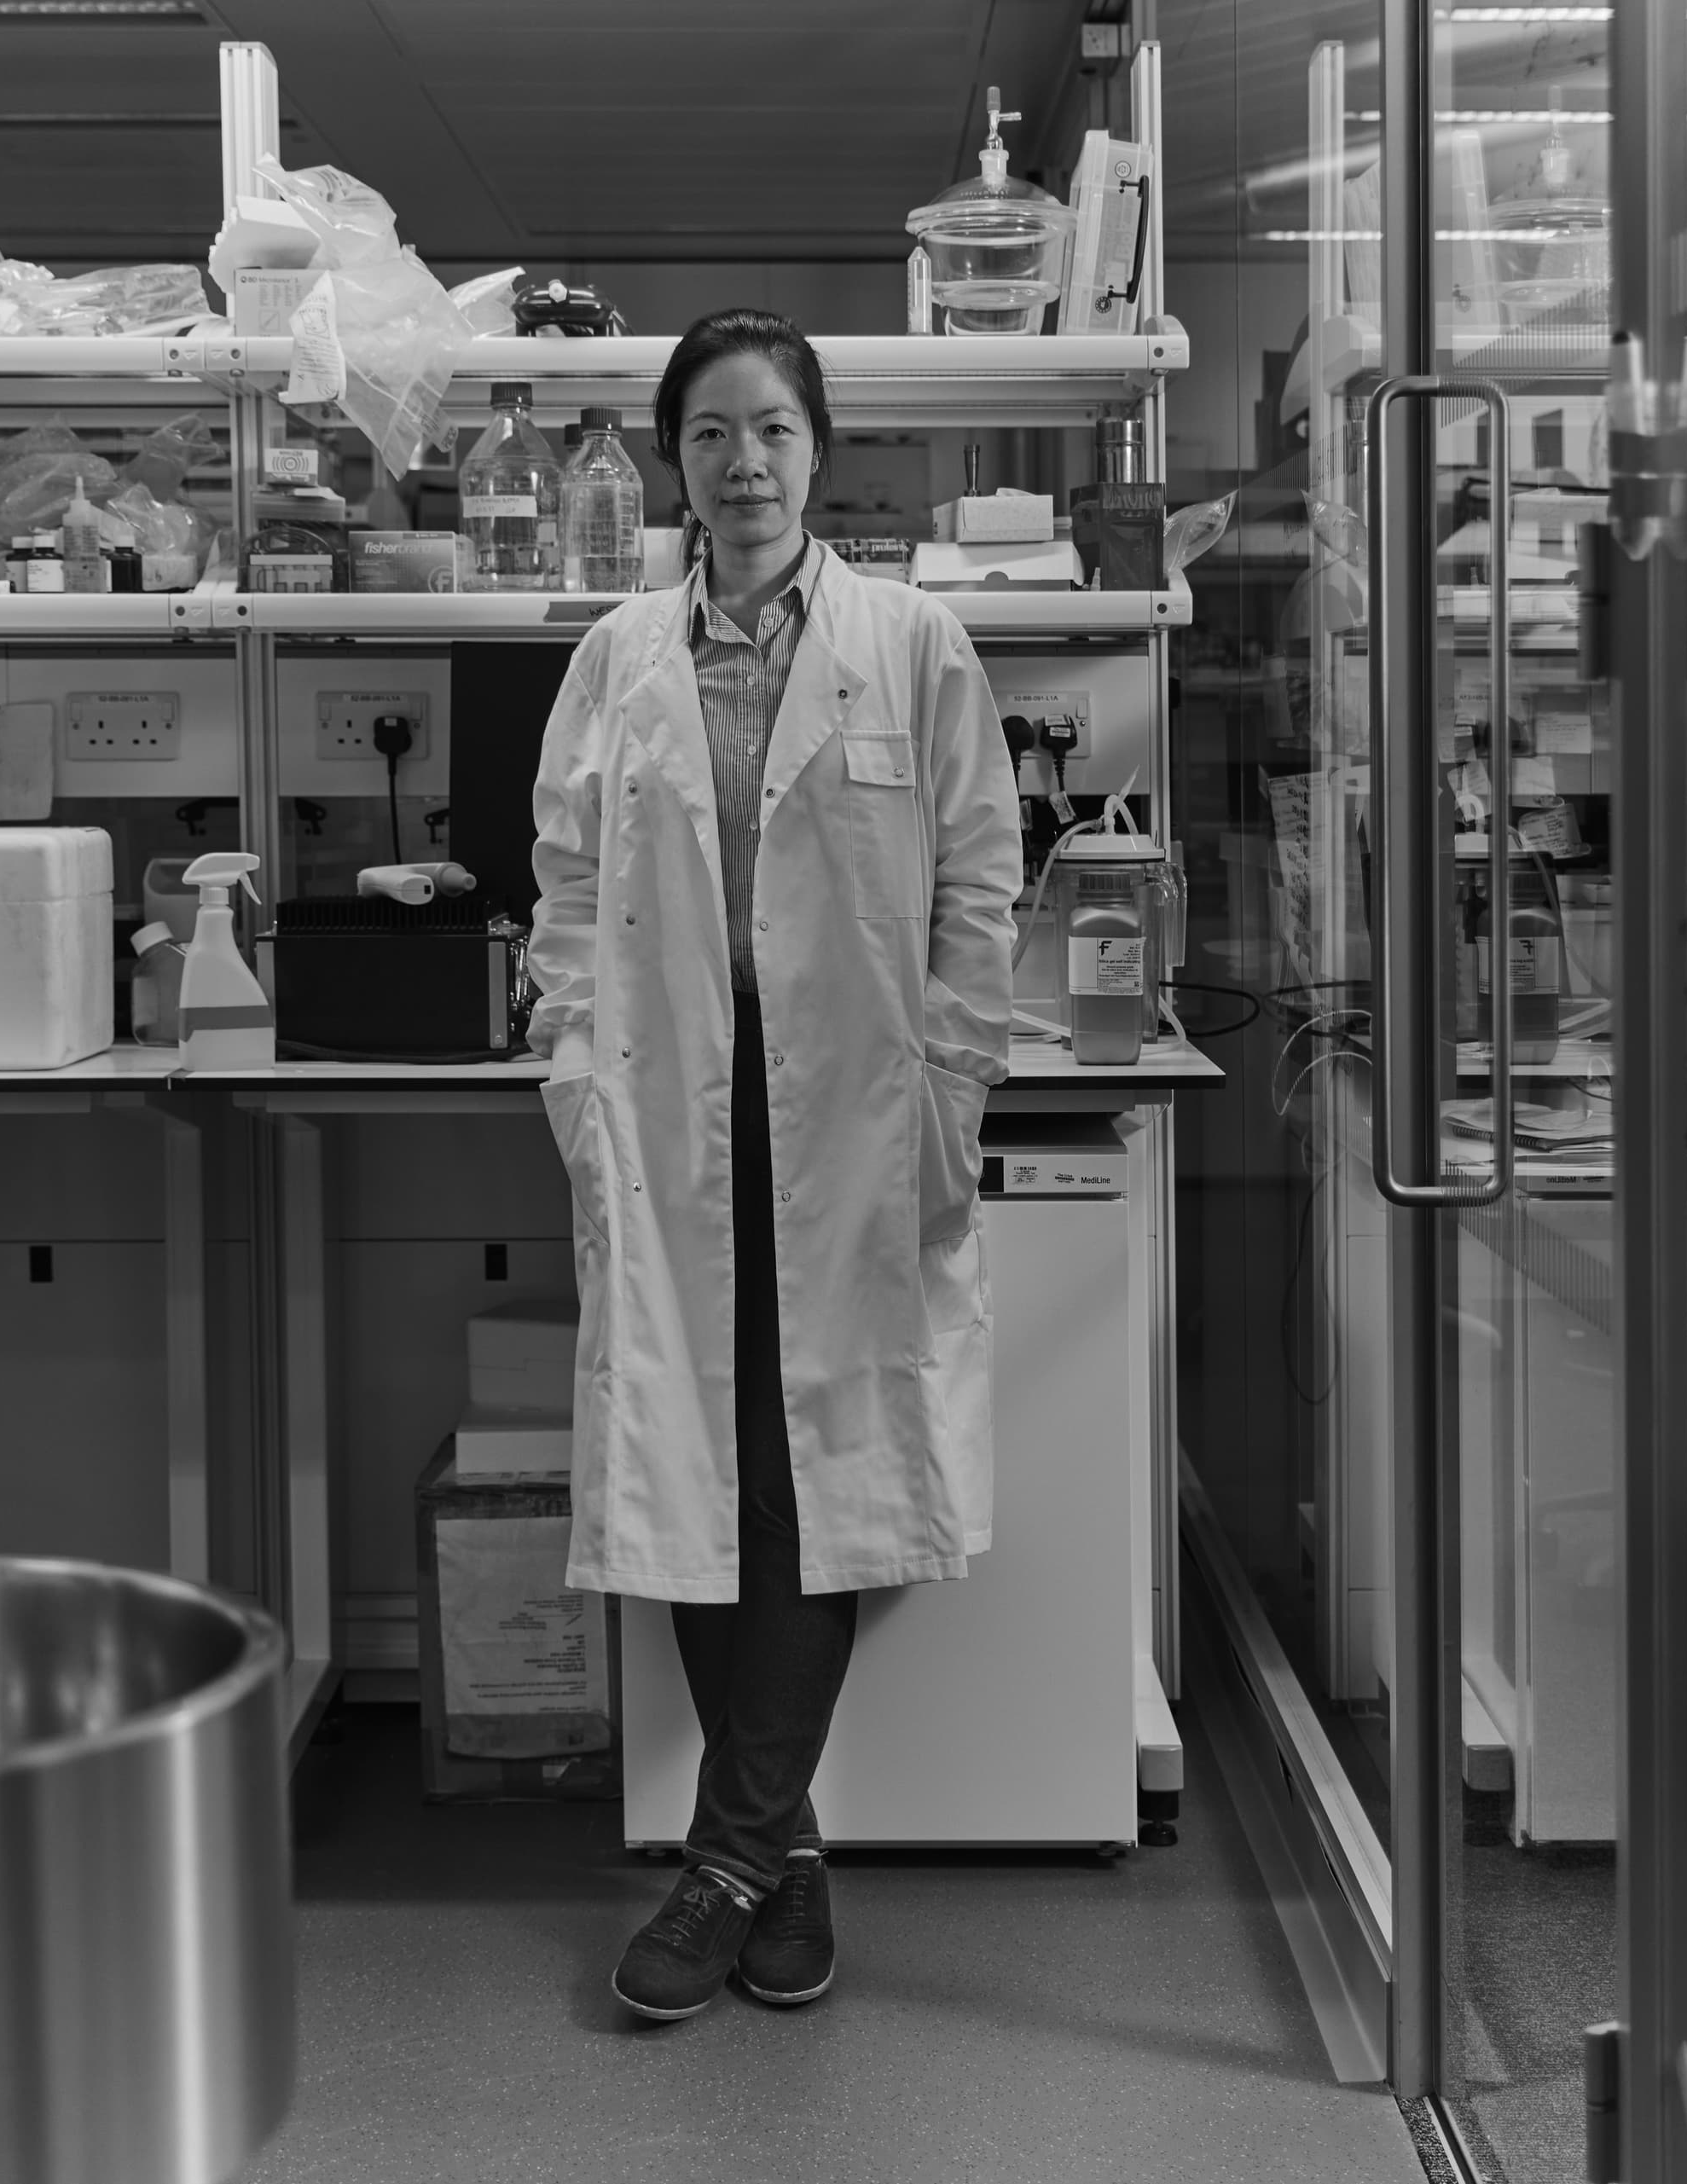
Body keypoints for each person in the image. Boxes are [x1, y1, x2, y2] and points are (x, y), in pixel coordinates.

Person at [525, 309, 1023, 2022]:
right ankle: (780, 1856)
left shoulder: (911, 642)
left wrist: (955, 1083)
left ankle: (723, 1861)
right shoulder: (618, 657)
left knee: (814, 1480)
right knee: (695, 1470)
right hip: (670, 1111)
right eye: (713, 434)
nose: (745, 463)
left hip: (862, 1115)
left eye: (774, 431)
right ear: (676, 460)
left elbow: (979, 881)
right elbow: (567, 890)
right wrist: (573, 1071)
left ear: (820, 451)